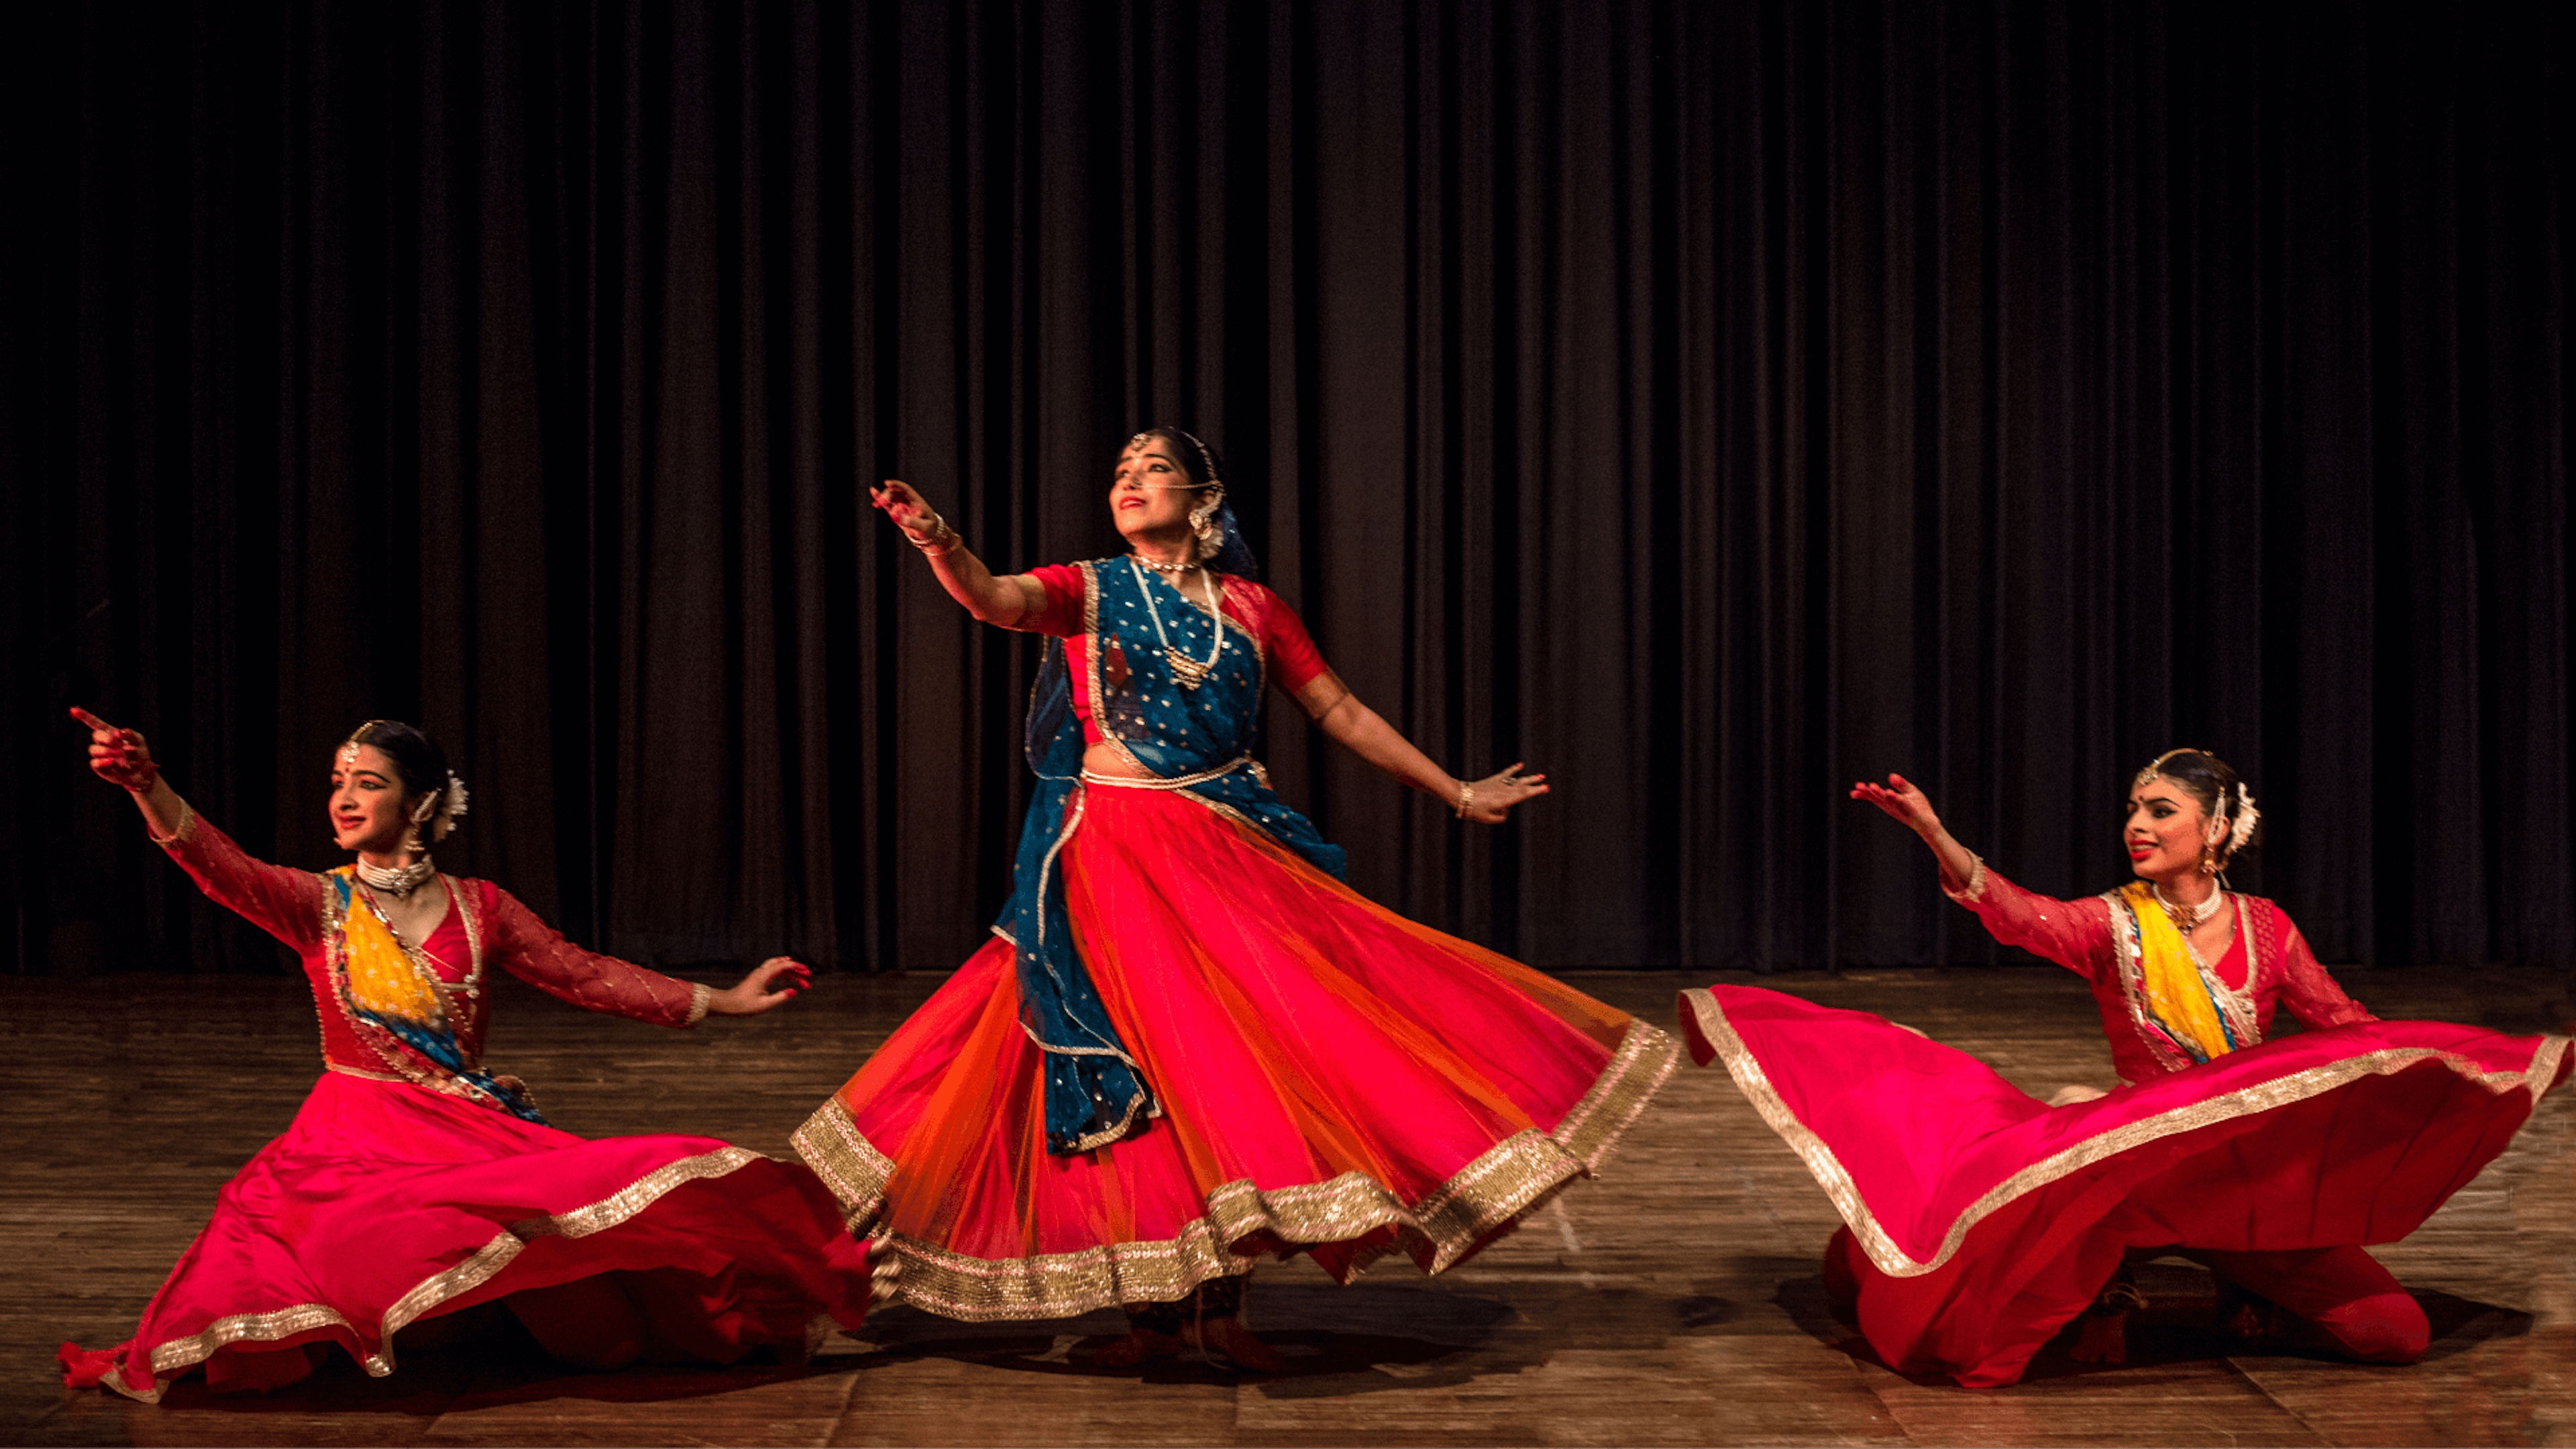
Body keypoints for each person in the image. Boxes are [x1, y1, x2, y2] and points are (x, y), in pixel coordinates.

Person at [794, 428, 1675, 1370]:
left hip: (1226, 851)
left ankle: (1218, 1314)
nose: (1129, 483)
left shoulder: (1255, 608)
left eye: (1155, 470)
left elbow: (1339, 710)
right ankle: (1153, 1317)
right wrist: (942, 544)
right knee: (1140, 1073)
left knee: (1230, 1068)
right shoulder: (1090, 588)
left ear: (1204, 499)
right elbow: (998, 601)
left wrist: (1455, 790)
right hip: (1112, 857)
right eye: (1121, 473)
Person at [58, 709, 882, 1403]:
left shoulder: (480, 907)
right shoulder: (319, 905)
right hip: (355, 1137)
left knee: (607, 1346)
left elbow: (586, 975)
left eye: (368, 782)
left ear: (420, 804)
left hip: (464, 1126)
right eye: (339, 782)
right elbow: (222, 870)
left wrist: (724, 1000)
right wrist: (145, 785)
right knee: (343, 1244)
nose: (344, 797)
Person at [1679, 751, 2570, 1388]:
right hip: (2133, 1171)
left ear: (2217, 828)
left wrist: (2456, 1065)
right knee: (1963, 1307)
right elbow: (2025, 917)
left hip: (2244, 1179)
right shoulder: (2115, 924)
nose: (2136, 825)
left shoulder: (2269, 930)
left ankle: (2236, 1275)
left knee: (2394, 1336)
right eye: (2134, 809)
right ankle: (1919, 1257)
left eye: (2161, 811)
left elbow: (2347, 1027)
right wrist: (1937, 835)